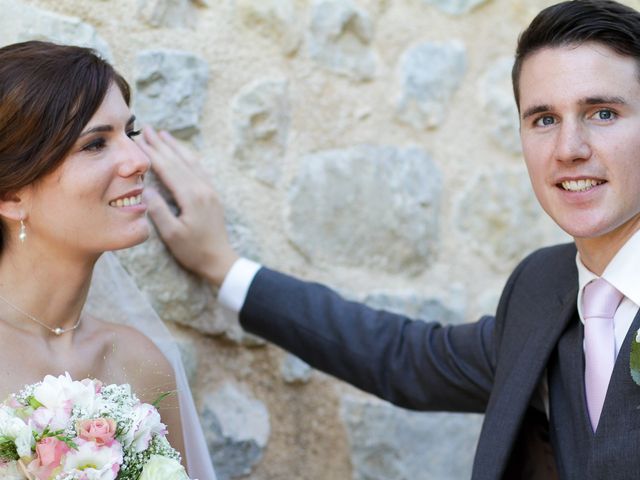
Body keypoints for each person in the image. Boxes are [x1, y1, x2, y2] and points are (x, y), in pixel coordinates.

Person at [143, 0, 640, 478]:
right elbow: (404, 358)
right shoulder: (540, 288)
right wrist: (223, 266)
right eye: (544, 119)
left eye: (602, 113)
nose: (568, 149)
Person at [0, 41, 216, 480]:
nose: (139, 161)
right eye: (96, 143)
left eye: (130, 133)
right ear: (11, 195)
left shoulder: (140, 360)